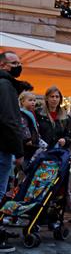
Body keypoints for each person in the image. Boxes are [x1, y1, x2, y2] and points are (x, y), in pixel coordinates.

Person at [0, 52, 25, 205]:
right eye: (14, 63)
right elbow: (9, 120)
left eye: (19, 63)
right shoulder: (5, 85)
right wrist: (19, 151)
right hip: (3, 146)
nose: (19, 66)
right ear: (3, 66)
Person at [36, 86, 71, 150]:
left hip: (58, 152)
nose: (54, 99)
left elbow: (70, 134)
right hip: (41, 151)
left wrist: (65, 140)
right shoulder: (38, 114)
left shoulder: (65, 117)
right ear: (47, 98)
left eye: (57, 97)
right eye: (52, 96)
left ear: (60, 99)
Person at [18, 91, 40, 165]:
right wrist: (27, 138)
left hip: (32, 142)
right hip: (27, 143)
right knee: (26, 162)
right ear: (22, 101)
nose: (33, 102)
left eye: (34, 100)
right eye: (30, 100)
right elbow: (23, 126)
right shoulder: (22, 113)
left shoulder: (30, 113)